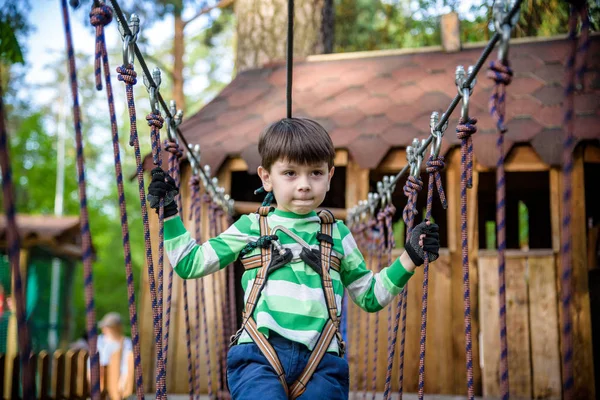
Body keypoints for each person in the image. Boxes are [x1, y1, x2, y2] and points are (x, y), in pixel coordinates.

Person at [148, 117, 440, 400]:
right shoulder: (251, 228)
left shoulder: (338, 234)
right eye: (290, 173)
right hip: (259, 357)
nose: (304, 184)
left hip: (323, 363)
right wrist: (171, 213)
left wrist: (409, 258)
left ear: (330, 175)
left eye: (315, 173)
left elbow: (370, 296)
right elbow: (190, 263)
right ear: (266, 178)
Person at [91, 312, 134, 399]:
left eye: (107, 327)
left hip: (118, 381)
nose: (104, 329)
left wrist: (123, 381)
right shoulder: (99, 341)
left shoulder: (126, 343)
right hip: (99, 379)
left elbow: (128, 365)